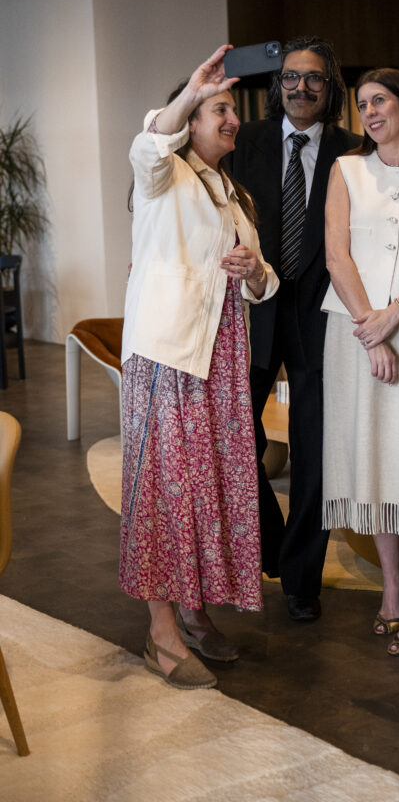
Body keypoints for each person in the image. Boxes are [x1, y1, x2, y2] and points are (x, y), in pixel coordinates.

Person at [120, 46, 278, 690]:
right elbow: (149, 144)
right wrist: (188, 93)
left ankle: (194, 607)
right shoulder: (165, 174)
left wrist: (256, 272)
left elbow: (262, 283)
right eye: (220, 109)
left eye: (231, 110)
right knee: (163, 490)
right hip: (168, 356)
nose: (231, 118)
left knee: (206, 489)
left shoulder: (232, 192)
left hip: (219, 364)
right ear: (190, 118)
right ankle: (159, 632)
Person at [230, 35, 361, 622]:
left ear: (329, 89)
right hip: (253, 310)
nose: (300, 88)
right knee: (234, 435)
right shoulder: (245, 142)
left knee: (315, 452)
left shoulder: (353, 151)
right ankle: (275, 542)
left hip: (319, 317)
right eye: (290, 77)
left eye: (313, 79)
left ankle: (302, 579)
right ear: (276, 85)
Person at [322, 69, 399, 656]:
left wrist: (396, 314)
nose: (370, 113)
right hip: (352, 331)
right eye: (362, 105)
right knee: (372, 456)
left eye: (380, 102)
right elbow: (336, 253)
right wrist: (372, 335)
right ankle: (393, 586)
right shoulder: (345, 171)